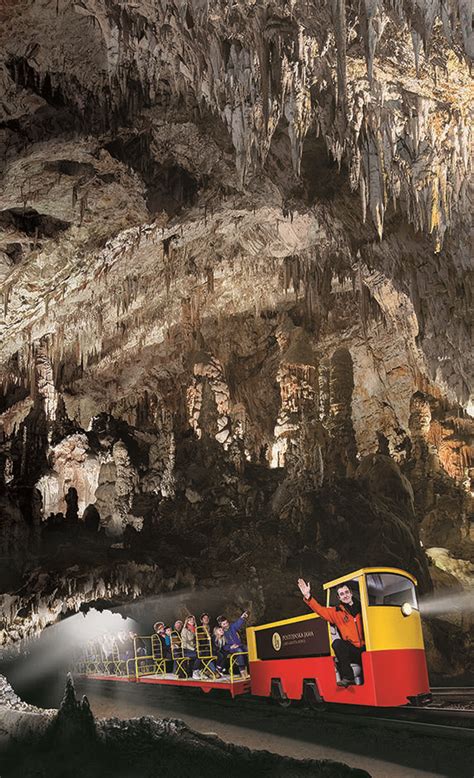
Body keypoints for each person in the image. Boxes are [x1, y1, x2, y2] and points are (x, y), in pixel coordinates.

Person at [297, 578, 365, 687]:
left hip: (367, 648)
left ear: (351, 593)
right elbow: (320, 610)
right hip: (352, 650)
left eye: (347, 592)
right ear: (339, 597)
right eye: (342, 594)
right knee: (337, 643)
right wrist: (308, 596)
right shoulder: (336, 612)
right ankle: (348, 677)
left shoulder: (364, 608)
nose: (345, 595)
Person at [217, 611, 249, 679]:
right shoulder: (221, 632)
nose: (226, 625)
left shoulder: (232, 627)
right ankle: (242, 671)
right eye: (224, 624)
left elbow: (238, 623)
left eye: (226, 622)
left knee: (249, 649)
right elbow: (223, 645)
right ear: (221, 625)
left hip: (239, 644)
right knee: (239, 651)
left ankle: (252, 669)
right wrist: (230, 647)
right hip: (231, 648)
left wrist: (242, 617)